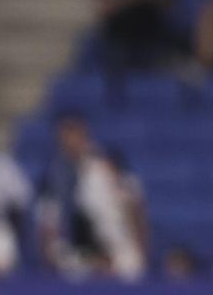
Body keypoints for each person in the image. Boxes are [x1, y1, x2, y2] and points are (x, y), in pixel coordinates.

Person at [36, 113, 145, 280]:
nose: (70, 142)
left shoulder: (107, 167)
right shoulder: (53, 177)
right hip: (80, 253)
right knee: (67, 264)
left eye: (74, 135)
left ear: (84, 135)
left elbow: (134, 208)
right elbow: (48, 226)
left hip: (116, 249)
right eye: (64, 137)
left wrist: (139, 248)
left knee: (131, 264)